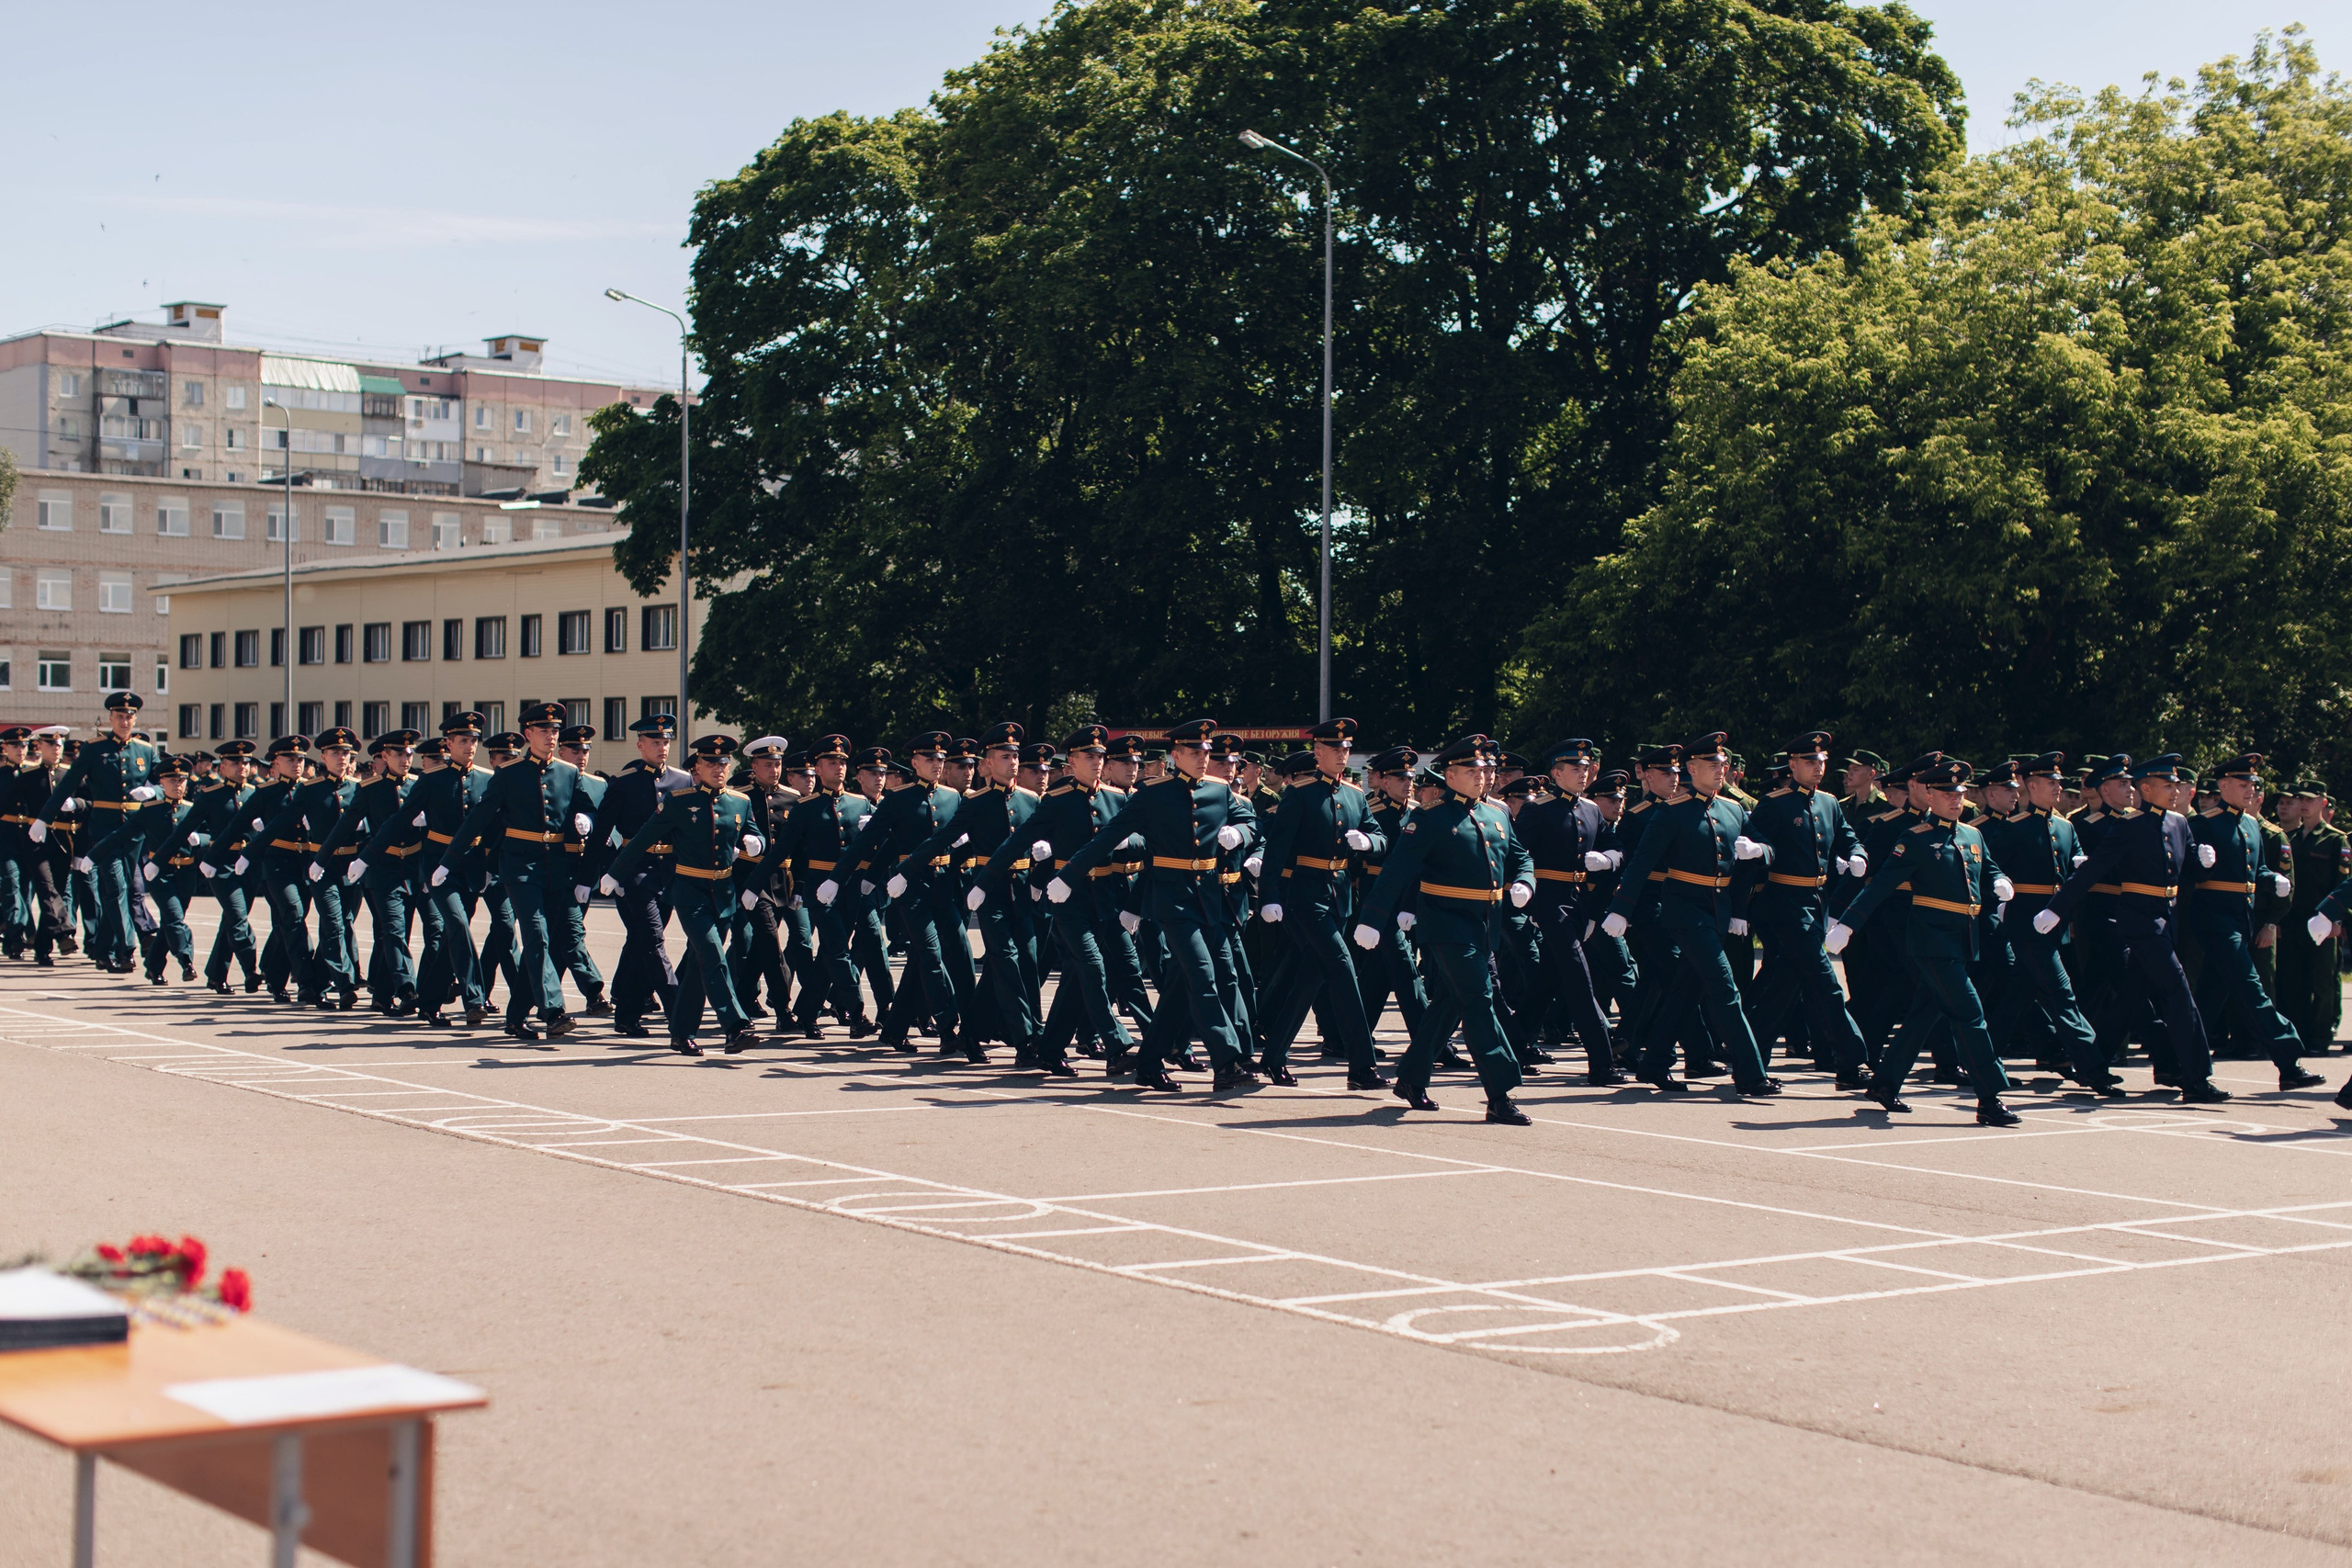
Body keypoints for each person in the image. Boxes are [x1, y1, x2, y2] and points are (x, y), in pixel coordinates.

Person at [1052, 718, 1260, 1092]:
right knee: (1202, 974)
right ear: (1175, 755)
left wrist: (1239, 833)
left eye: (1205, 753)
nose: (1202, 759)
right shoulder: (1152, 793)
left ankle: (1149, 1062)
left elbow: (1250, 822)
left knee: (1184, 987)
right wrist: (1067, 876)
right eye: (1194, 753)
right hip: (1173, 900)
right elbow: (1108, 838)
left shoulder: (1220, 790)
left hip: (1210, 898)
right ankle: (1228, 1060)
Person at [1826, 756, 2023, 1124]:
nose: (1955, 799)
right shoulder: (1915, 838)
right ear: (1929, 794)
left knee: (1924, 1014)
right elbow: (1882, 884)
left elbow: (1988, 866)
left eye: (1960, 793)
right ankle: (1990, 1098)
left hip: (1962, 939)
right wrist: (1847, 924)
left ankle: (1885, 1082)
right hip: (1931, 941)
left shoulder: (1972, 834)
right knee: (1970, 1012)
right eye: (1947, 793)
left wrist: (1999, 881)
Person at [1351, 733, 1535, 1124]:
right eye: (1474, 770)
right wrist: (1372, 917)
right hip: (1446, 924)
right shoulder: (1429, 818)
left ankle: (1412, 1078)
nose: (1484, 776)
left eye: (1487, 770)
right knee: (1479, 998)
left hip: (1486, 925)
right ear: (1450, 775)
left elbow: (1520, 857)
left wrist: (1524, 882)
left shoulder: (1497, 814)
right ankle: (1500, 1091)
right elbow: (1397, 870)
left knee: (1451, 1002)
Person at [2037, 754, 2232, 1103]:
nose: (2176, 791)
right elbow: (2092, 870)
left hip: (2165, 921)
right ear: (2146, 788)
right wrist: (2057, 908)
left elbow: (2186, 874)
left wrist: (2204, 865)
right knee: (2179, 994)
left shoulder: (2178, 823)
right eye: (2167, 785)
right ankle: (2197, 1078)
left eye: (2176, 785)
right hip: (2140, 924)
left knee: (2129, 999)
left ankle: (2093, 1066)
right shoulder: (2129, 827)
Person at [1600, 732, 1782, 1098]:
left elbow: (1768, 849)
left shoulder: (1733, 810)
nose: (1720, 770)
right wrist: (1621, 908)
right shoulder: (1672, 812)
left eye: (1723, 764)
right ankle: (1750, 1073)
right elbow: (1641, 864)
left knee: (1686, 990)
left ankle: (1653, 1064)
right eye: (1712, 765)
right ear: (1692, 768)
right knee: (1724, 987)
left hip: (1718, 912)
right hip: (1684, 911)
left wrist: (1758, 851)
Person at [432, 702, 588, 1043]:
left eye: (555, 731)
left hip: (555, 867)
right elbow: (479, 818)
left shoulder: (568, 772)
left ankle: (516, 1017)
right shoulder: (509, 773)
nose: (551, 736)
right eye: (544, 731)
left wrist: (585, 821)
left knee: (546, 941)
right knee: (536, 934)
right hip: (519, 866)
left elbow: (584, 808)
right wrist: (448, 859)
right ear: (529, 734)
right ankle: (554, 1011)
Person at [600, 733, 763, 1056]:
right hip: (691, 894)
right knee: (714, 957)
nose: (718, 769)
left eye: (723, 763)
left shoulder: (740, 802)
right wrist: (614, 873)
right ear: (698, 767)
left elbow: (754, 832)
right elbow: (644, 837)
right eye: (710, 763)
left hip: (724, 895)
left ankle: (681, 1032)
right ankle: (735, 1025)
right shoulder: (679, 801)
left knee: (698, 967)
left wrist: (754, 842)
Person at [1254, 717, 1390, 1089]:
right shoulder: (1300, 793)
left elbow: (1380, 839)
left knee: (1309, 979)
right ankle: (1362, 1067)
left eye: (1346, 749)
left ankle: (1273, 1057)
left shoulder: (1355, 795)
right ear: (1317, 752)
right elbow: (1277, 850)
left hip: (1340, 898)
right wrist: (1268, 896)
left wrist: (1367, 842)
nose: (1343, 755)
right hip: (1306, 897)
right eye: (1335, 748)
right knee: (1344, 971)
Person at [1736, 730, 1872, 1089]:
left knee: (1786, 983)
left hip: (1816, 901)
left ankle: (1750, 1060)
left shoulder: (1829, 802)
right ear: (1793, 764)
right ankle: (1852, 1062)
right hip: (1785, 904)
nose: (1818, 768)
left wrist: (1857, 854)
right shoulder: (1775, 803)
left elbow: (1846, 835)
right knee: (1826, 982)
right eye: (1810, 762)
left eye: (1822, 762)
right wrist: (1757, 851)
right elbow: (1759, 843)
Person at [1977, 751, 2115, 1094]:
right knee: (2061, 993)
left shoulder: (2065, 826)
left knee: (2017, 997)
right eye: (2050, 783)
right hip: (2025, 923)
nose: (2058, 788)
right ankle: (2092, 1065)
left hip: (2054, 923)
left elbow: (2073, 865)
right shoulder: (2013, 828)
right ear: (2031, 785)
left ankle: (1982, 1058)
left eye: (2059, 782)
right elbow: (1989, 870)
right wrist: (2001, 905)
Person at [2187, 753, 2324, 1091]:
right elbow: (2182, 869)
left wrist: (2271, 879)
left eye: (2254, 784)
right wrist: (2197, 861)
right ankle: (2288, 1061)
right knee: (2252, 989)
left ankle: (2177, 1058)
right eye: (2244, 783)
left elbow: (2255, 870)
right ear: (2223, 785)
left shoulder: (2251, 825)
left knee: (2207, 998)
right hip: (2215, 919)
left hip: (2241, 919)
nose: (2251, 789)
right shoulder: (2203, 824)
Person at [1510, 737, 1628, 1084]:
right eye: (1574, 769)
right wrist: (1524, 894)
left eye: (1585, 768)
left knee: (1547, 979)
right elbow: (1517, 853)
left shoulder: (1591, 809)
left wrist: (1608, 859)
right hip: (1548, 901)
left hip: (1578, 902)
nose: (1583, 773)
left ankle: (1514, 1045)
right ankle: (1602, 1062)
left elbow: (1616, 845)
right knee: (1579, 978)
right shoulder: (1539, 809)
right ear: (1557, 773)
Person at [30, 692, 164, 973]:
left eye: (129, 716)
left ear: (135, 718)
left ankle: (102, 950)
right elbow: (66, 786)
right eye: (119, 716)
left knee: (126, 892)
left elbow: (164, 784)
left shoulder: (146, 750)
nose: (124, 721)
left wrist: (153, 790)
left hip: (134, 831)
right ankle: (126, 950)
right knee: (115, 888)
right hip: (104, 829)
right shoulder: (93, 749)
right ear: (110, 719)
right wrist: (44, 817)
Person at [582, 715, 687, 1037]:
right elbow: (601, 833)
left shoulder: (683, 783)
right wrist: (591, 877)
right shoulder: (624, 783)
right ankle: (678, 1011)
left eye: (666, 741)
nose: (662, 747)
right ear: (640, 745)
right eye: (655, 742)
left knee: (641, 942)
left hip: (669, 873)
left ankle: (626, 1014)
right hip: (635, 873)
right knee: (654, 942)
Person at [322, 728, 421, 1014]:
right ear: (385, 756)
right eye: (399, 753)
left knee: (393, 934)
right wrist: (321, 858)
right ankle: (407, 987)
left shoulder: (418, 785)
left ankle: (381, 993)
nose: (406, 758)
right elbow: (344, 825)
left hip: (412, 869)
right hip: (381, 868)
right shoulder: (370, 789)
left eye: (409, 753)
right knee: (393, 929)